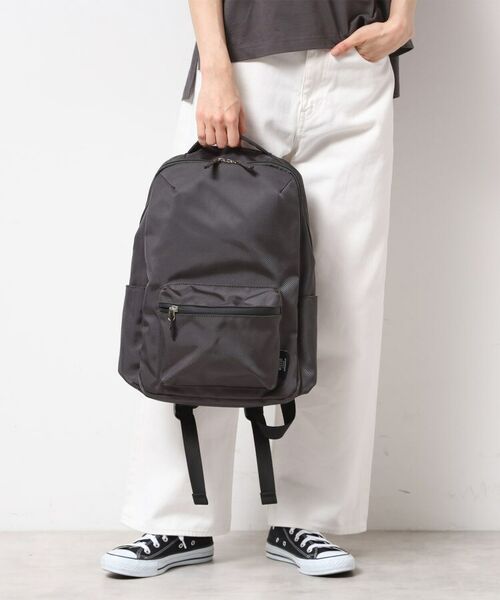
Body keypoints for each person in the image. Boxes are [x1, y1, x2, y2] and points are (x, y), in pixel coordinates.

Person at [101, 0, 416, 578]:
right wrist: (215, 68)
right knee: (197, 296)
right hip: (245, 63)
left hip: (355, 67)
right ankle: (178, 519)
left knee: (340, 308)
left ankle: (306, 518)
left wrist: (402, 18)